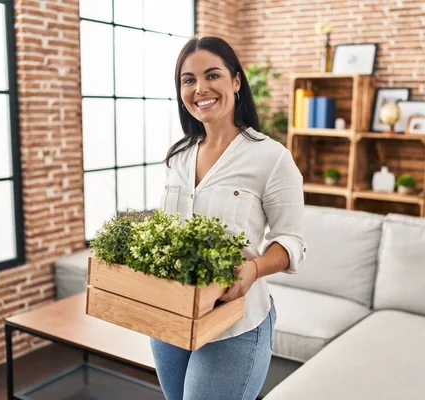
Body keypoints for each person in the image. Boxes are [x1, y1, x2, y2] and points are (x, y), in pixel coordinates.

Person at [152, 36, 306, 400]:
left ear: (236, 81)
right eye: (188, 80)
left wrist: (252, 270)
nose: (200, 88)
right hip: (173, 313)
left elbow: (292, 242)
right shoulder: (179, 156)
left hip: (235, 322)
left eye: (212, 75)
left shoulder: (271, 157)